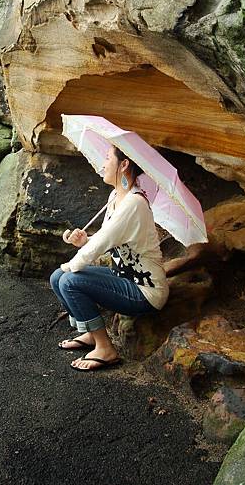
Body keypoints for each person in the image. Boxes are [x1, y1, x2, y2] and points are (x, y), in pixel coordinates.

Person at [50, 145, 169, 372]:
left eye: (107, 158)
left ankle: (105, 349)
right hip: (123, 278)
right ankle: (90, 334)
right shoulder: (116, 196)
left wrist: (73, 262)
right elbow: (108, 240)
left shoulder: (134, 203)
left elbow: (102, 242)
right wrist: (85, 241)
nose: (103, 165)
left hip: (145, 291)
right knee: (58, 277)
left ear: (124, 164)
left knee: (69, 279)